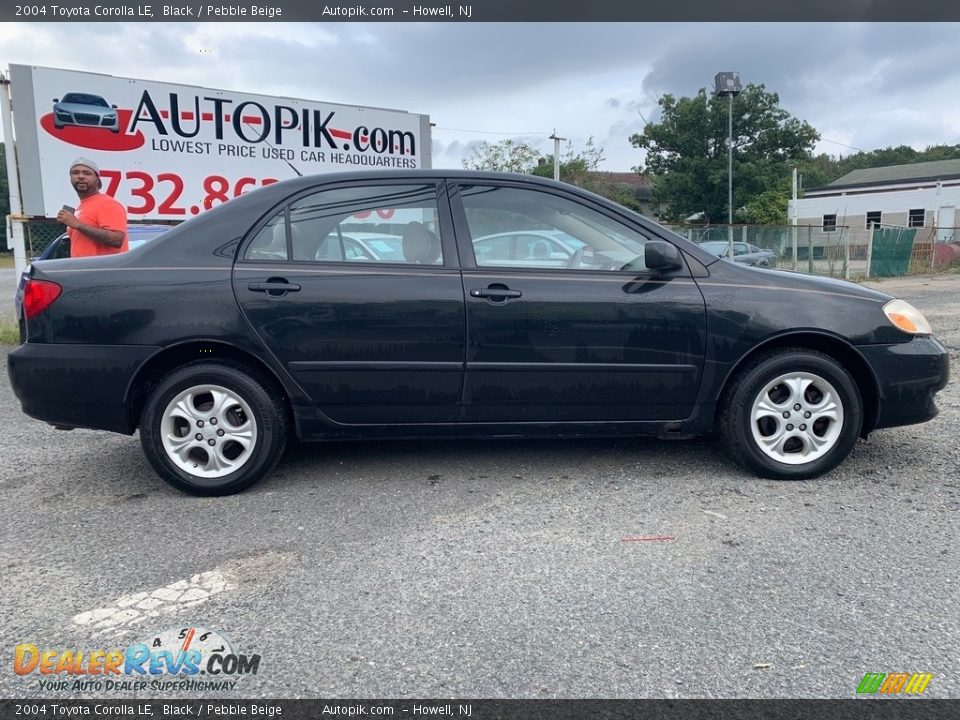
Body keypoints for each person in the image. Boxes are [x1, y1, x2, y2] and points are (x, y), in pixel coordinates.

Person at [56, 157, 128, 257]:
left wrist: (78, 225)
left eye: (87, 173)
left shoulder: (107, 203)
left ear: (97, 179)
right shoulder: (82, 206)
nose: (80, 176)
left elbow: (117, 240)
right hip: (84, 269)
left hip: (102, 270)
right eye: (75, 172)